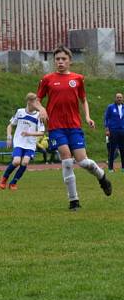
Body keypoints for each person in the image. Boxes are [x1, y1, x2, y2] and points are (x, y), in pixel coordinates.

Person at [33, 46, 112, 211]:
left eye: (64, 59)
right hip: (56, 127)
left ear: (70, 61)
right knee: (67, 160)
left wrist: (88, 117)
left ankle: (102, 177)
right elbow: (36, 99)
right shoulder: (47, 79)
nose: (60, 62)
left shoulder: (78, 79)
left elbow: (83, 100)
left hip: (74, 126)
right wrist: (41, 108)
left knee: (83, 162)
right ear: (54, 61)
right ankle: (74, 201)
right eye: (57, 59)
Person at [0, 93, 45, 190]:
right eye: (34, 102)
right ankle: (4, 178)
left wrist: (29, 134)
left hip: (30, 144)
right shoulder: (20, 112)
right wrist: (9, 137)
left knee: (25, 163)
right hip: (19, 141)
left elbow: (41, 133)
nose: (36, 104)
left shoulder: (39, 116)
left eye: (37, 102)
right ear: (29, 102)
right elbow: (10, 125)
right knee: (16, 162)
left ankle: (13, 183)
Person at [103, 92, 124, 172]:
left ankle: (123, 168)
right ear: (115, 98)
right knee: (112, 150)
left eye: (120, 97)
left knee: (123, 150)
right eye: (118, 97)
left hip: (122, 131)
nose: (119, 99)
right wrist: (107, 129)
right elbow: (106, 118)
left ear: (122, 99)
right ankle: (110, 168)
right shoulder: (110, 107)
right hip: (113, 131)